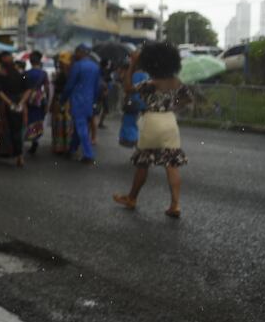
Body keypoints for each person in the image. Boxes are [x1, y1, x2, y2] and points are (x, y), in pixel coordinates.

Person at [113, 42, 192, 218]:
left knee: (143, 163)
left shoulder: (150, 83)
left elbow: (128, 89)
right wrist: (171, 107)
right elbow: (187, 99)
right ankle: (175, 205)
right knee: (171, 164)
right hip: (170, 121)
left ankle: (132, 198)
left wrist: (132, 64)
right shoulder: (176, 82)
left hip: (152, 121)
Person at [63, 44, 102, 163]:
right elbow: (97, 86)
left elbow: (70, 84)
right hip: (89, 100)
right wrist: (94, 100)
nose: (75, 54)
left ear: (81, 52)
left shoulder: (77, 65)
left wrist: (62, 99)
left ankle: (88, 154)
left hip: (77, 100)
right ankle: (72, 149)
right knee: (80, 126)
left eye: (76, 51)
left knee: (81, 127)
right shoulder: (95, 67)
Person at [0, 50, 29, 167]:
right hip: (17, 104)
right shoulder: (20, 74)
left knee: (0, 129)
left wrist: (9, 102)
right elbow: (28, 89)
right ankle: (19, 157)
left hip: (3, 105)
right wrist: (21, 103)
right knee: (16, 130)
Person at [118, 60, 150, 148]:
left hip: (133, 102)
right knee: (137, 123)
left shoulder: (133, 75)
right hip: (143, 102)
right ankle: (138, 144)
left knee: (129, 122)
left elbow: (128, 89)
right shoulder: (146, 75)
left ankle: (135, 143)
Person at [24, 51, 50, 154]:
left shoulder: (26, 74)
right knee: (38, 119)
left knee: (29, 119)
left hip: (28, 98)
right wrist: (47, 101)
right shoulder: (44, 74)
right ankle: (35, 139)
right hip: (39, 99)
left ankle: (30, 138)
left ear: (30, 61)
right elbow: (47, 88)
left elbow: (23, 86)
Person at [50, 52, 73, 155]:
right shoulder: (70, 73)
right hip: (66, 101)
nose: (60, 63)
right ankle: (66, 146)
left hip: (62, 100)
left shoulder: (65, 74)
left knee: (61, 122)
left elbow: (57, 90)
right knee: (64, 123)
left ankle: (60, 146)